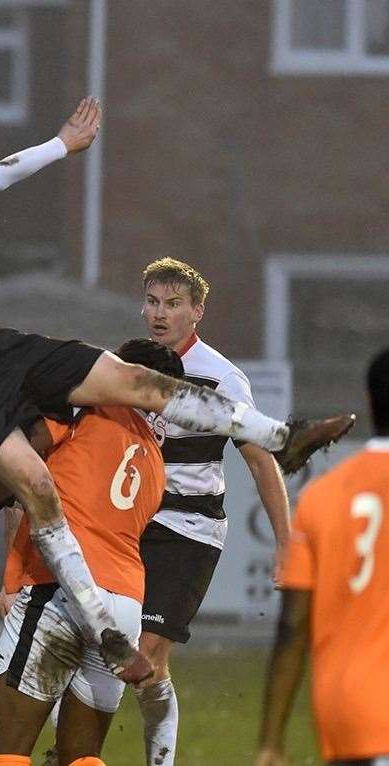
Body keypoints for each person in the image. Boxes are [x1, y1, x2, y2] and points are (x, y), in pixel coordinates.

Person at [0, 98, 352, 674]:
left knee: (131, 380)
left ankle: (282, 436)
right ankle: (103, 628)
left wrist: (62, 145)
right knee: (35, 484)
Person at [0, 339, 181, 766]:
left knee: (8, 747)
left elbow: (12, 471)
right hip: (126, 602)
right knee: (82, 756)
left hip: (63, 590)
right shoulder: (156, 463)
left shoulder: (83, 408)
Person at [133, 258, 291, 765]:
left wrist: (287, 546)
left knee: (146, 657)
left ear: (197, 312)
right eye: (154, 302)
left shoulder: (222, 378)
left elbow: (263, 465)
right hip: (131, 525)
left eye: (174, 304)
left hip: (189, 529)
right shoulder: (130, 367)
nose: (161, 314)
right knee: (101, 649)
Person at [254, 348, 389, 766]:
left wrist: (271, 741)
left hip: (347, 710)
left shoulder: (321, 497)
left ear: (370, 403)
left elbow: (293, 628)